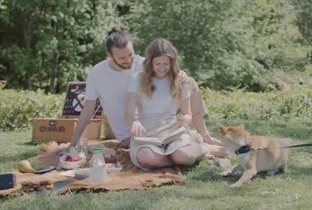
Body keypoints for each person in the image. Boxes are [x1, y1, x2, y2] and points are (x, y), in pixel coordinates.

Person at [65, 27, 221, 152]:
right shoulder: (97, 73)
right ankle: (197, 144)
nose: (129, 61)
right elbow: (87, 111)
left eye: (130, 54)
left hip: (157, 126)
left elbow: (167, 67)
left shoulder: (143, 63)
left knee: (190, 83)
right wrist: (72, 143)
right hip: (131, 133)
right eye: (122, 58)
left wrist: (182, 74)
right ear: (109, 55)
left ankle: (204, 135)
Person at [126, 39, 225, 169]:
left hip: (172, 132)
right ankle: (175, 156)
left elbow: (187, 114)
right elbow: (128, 111)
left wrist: (185, 119)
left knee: (183, 156)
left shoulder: (180, 80)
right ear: (150, 62)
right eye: (157, 64)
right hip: (147, 134)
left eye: (166, 64)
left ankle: (204, 148)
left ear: (172, 62)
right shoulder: (137, 78)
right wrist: (135, 121)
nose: (162, 68)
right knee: (146, 159)